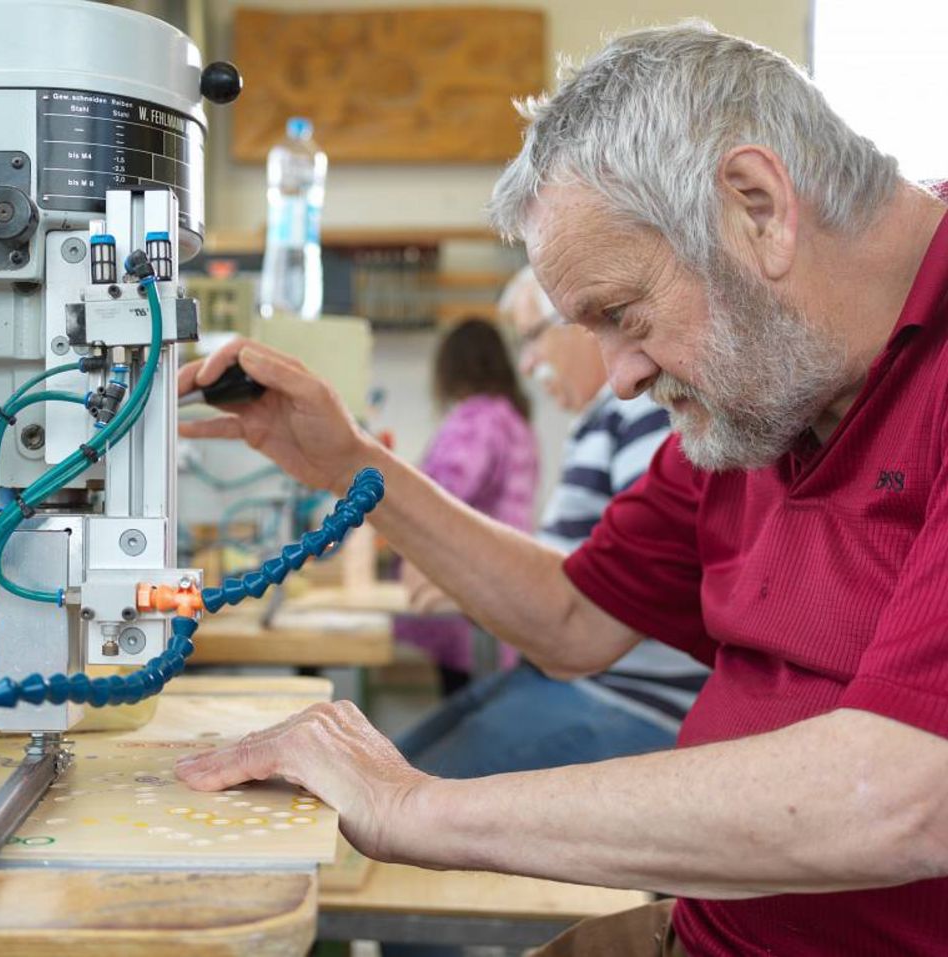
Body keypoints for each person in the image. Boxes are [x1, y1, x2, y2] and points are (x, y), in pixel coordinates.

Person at [174, 22, 948, 956]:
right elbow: (576, 619)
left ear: (758, 205)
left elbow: (909, 792)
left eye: (623, 315)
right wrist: (349, 465)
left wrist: (413, 806)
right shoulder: (774, 386)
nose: (618, 379)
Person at [396, 269, 705, 784]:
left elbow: (639, 583)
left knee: (401, 789)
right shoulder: (602, 420)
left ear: (581, 322)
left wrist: (471, 585)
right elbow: (586, 569)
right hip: (579, 678)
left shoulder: (644, 413)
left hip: (626, 695)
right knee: (396, 763)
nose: (527, 362)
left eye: (532, 338)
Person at [394, 317, 539, 695]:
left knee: (466, 714)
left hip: (471, 593)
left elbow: (436, 500)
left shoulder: (477, 420)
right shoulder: (513, 419)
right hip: (507, 584)